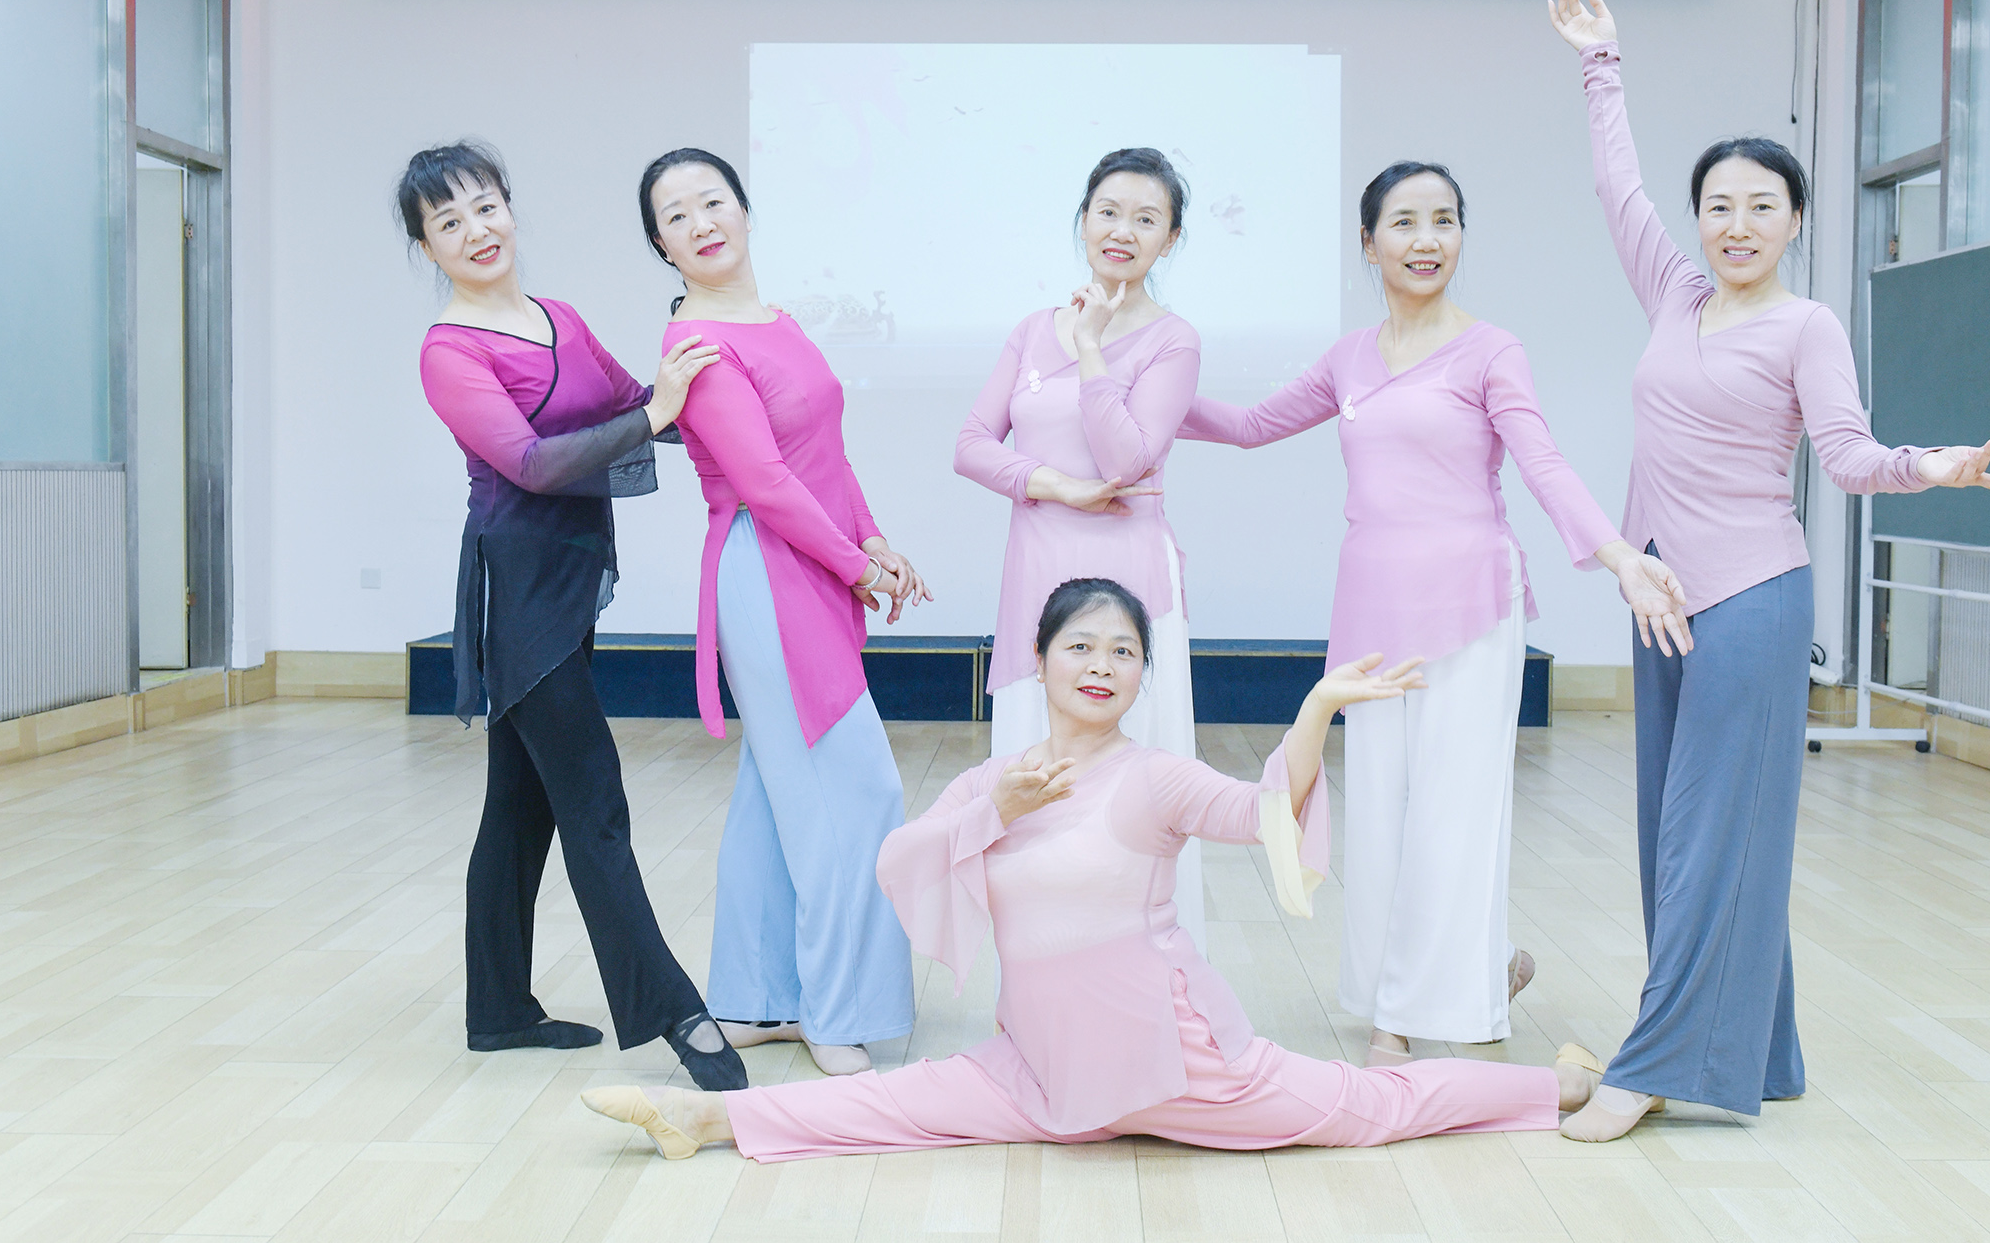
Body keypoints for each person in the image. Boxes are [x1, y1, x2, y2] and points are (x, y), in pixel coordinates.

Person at [581, 578, 1612, 1161]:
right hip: (1043, 1068)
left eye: (1123, 652)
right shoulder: (996, 777)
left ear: (1140, 675)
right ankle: (707, 1116)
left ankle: (1557, 1083)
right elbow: (900, 865)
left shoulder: (1153, 776)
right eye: (1081, 646)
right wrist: (995, 809)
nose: (1102, 665)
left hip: (1184, 1065)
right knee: (897, 1105)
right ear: (1040, 660)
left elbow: (1262, 815)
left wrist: (1316, 710)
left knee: (1372, 1106)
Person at [1546, 0, 1990, 1140]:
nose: (1735, 223)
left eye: (1760, 204)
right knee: (1674, 827)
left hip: (1749, 599)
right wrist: (1600, 62)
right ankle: (1760, 1048)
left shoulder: (1806, 326)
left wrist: (1931, 465)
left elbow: (1845, 456)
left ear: (1794, 219)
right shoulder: (1673, 292)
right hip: (1656, 594)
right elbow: (1614, 188)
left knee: (1706, 831)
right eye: (1717, 204)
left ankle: (1656, 1061)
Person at [1177, 162, 1691, 1070]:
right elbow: (1251, 425)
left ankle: (1408, 1011)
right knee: (1379, 810)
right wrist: (1137, 390)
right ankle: (1464, 969)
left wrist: (1618, 556)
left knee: (1452, 811)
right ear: (1367, 241)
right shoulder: (1348, 357)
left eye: (1444, 220)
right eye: (1405, 222)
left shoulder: (1490, 350)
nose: (1426, 240)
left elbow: (1541, 462)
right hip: (1370, 605)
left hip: (1469, 604)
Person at [406, 140, 747, 1090]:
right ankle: (676, 1016)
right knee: (593, 800)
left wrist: (730, 394)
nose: (476, 231)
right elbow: (530, 462)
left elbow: (646, 405)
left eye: (485, 207)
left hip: (570, 572)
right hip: (518, 589)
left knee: (518, 805)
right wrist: (656, 412)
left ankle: (496, 1010)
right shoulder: (449, 350)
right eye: (448, 222)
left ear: (509, 208)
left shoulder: (559, 318)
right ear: (428, 247)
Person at [641, 146, 927, 1077]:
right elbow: (763, 482)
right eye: (676, 215)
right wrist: (854, 565)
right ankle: (835, 1014)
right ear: (661, 245)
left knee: (776, 792)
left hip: (808, 560)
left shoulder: (775, 321)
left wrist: (871, 537)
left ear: (745, 209)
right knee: (855, 792)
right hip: (766, 573)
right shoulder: (696, 344)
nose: (700, 222)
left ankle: (759, 999)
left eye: (712, 200)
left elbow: (822, 455)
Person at [954, 146, 1206, 948]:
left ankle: (1151, 969)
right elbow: (970, 444)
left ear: (1170, 238)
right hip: (1038, 580)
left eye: (1146, 218)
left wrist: (1093, 348)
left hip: (1129, 584)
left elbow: (1128, 457)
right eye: (1108, 212)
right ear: (1084, 220)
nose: (1122, 230)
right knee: (1035, 784)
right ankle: (1039, 975)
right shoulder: (1032, 330)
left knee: (1134, 792)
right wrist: (1054, 484)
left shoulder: (1173, 341)